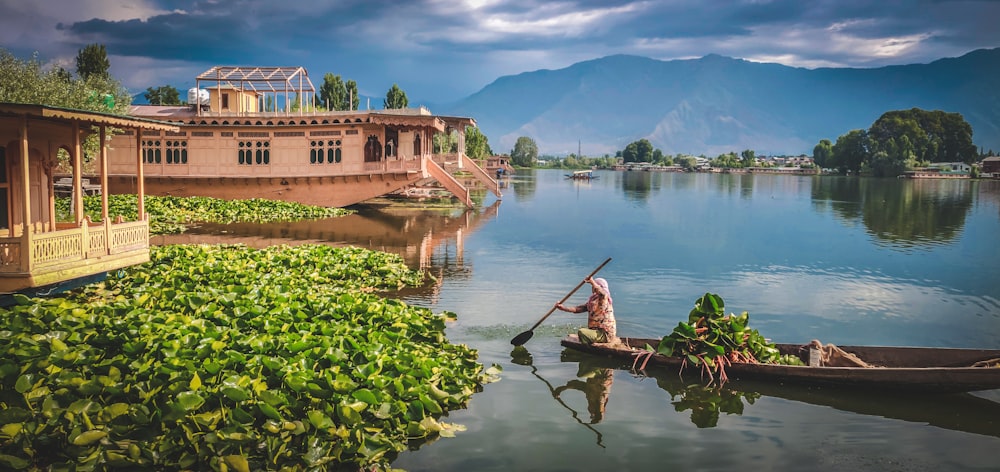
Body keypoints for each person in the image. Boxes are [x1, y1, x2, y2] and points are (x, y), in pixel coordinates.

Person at [555, 277, 617, 345]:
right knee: (583, 332)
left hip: (605, 334)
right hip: (596, 331)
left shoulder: (604, 299)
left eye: (594, 286)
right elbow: (579, 309)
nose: (592, 288)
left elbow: (602, 294)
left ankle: (589, 346)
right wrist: (563, 308)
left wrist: (592, 282)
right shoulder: (593, 300)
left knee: (581, 332)